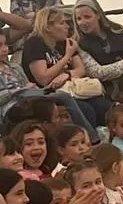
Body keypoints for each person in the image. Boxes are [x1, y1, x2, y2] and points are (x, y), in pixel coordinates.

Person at [21, 8, 111, 138]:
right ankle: (91, 141)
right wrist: (66, 56)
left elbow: (81, 69)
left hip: (72, 87)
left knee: (103, 105)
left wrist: (67, 74)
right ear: (48, 27)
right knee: (86, 110)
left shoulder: (64, 42)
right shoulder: (34, 44)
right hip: (48, 92)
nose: (67, 26)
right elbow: (43, 78)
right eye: (62, 23)